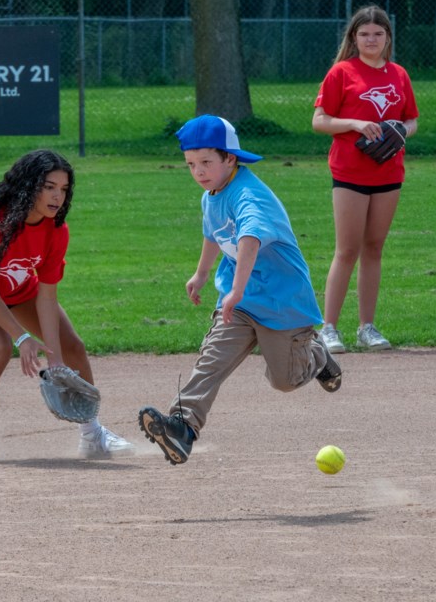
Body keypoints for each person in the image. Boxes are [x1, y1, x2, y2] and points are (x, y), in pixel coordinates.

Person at [137, 115, 342, 465]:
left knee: (285, 381)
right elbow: (212, 231)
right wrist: (202, 274)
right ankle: (183, 428)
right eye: (191, 164)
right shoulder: (211, 194)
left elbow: (249, 237)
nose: (199, 172)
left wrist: (236, 289)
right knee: (211, 361)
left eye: (206, 162)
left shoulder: (249, 194)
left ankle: (317, 353)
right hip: (241, 302)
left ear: (230, 158)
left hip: (281, 303)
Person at [0, 149, 134, 463]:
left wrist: (55, 357)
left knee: (73, 346)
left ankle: (92, 435)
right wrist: (22, 338)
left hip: (20, 289)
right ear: (28, 185)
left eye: (63, 189)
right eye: (49, 186)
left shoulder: (56, 231)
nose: (57, 196)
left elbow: (47, 296)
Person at [312, 4, 419, 353]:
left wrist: (399, 130)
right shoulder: (341, 72)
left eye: (378, 33)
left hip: (388, 170)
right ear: (353, 37)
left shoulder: (399, 75)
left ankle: (367, 328)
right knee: (347, 249)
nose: (371, 39)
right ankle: (328, 328)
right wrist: (355, 124)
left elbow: (411, 120)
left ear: (387, 37)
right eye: (364, 34)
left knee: (374, 248)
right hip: (350, 171)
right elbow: (320, 120)